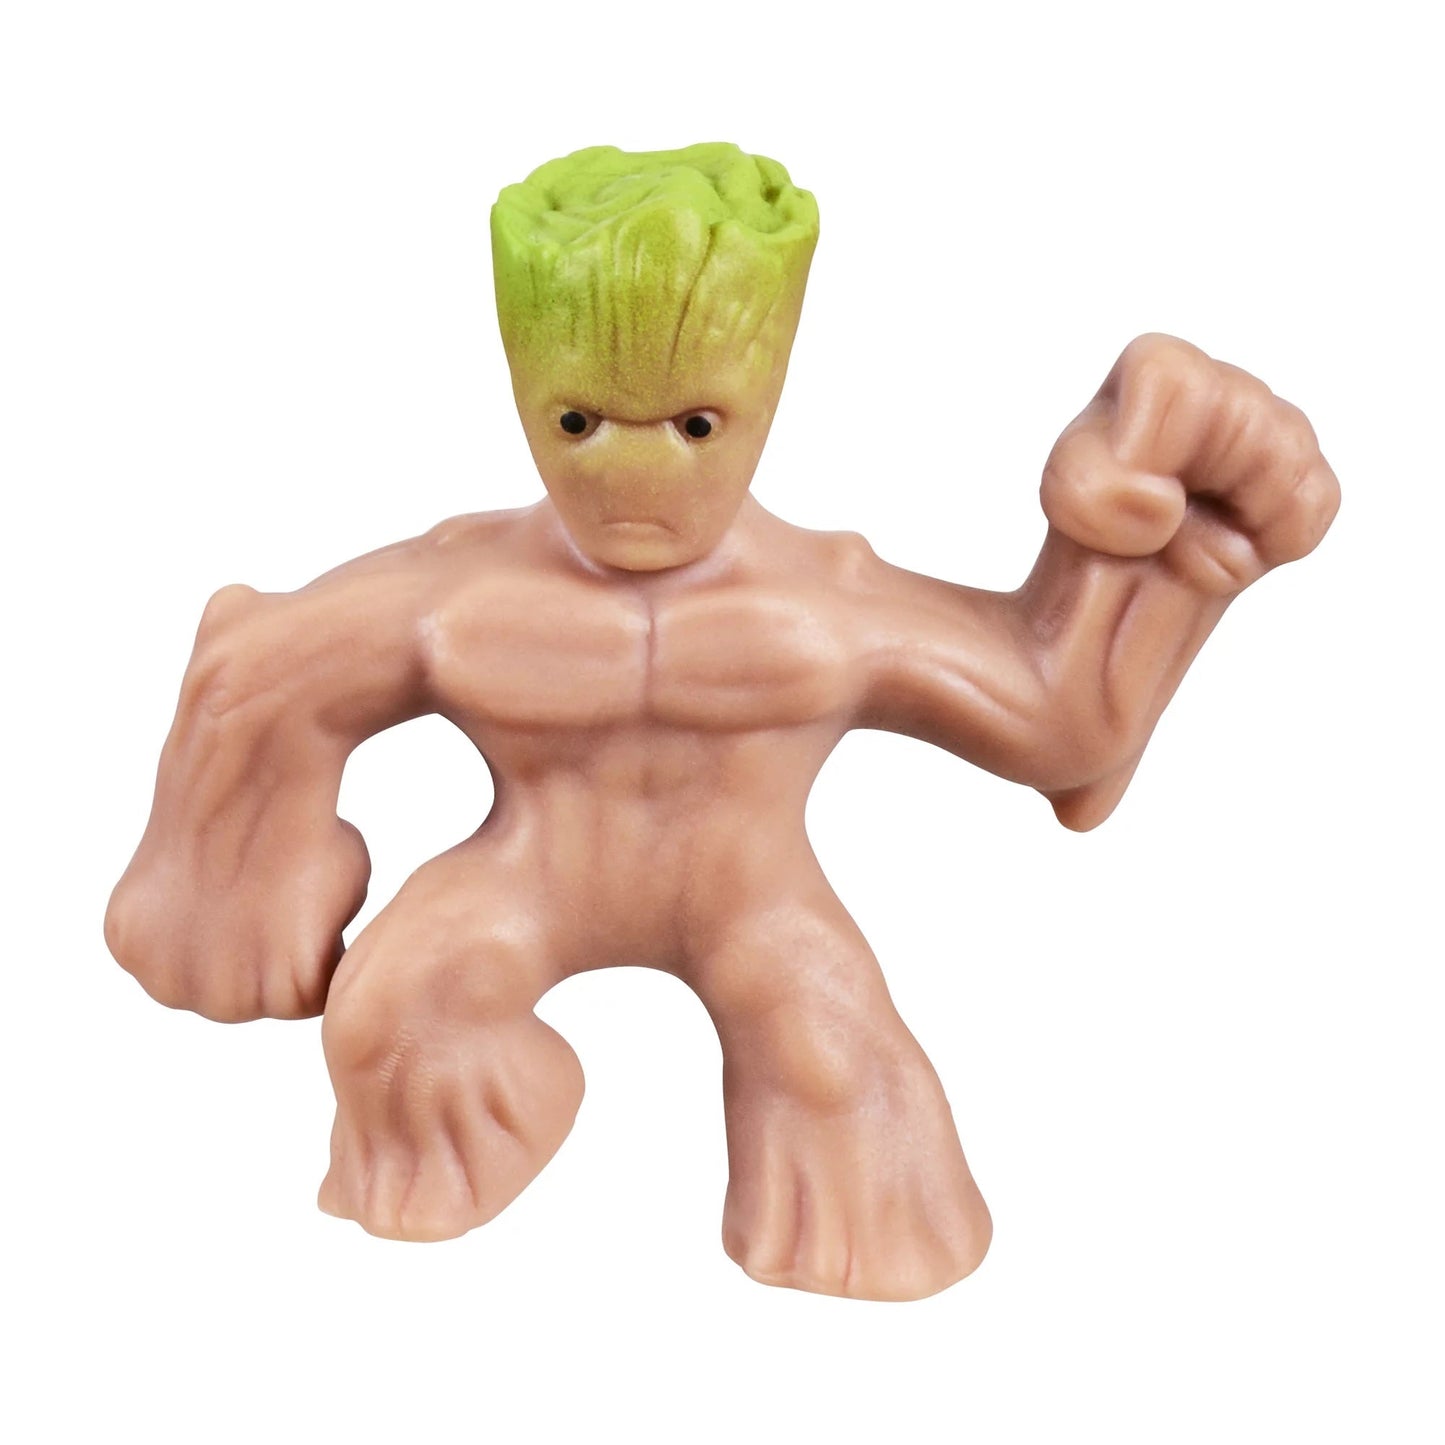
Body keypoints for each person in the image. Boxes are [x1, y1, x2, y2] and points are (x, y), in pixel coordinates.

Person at [105, 142, 1339, 1299]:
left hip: (754, 899)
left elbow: (1049, 722)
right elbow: (257, 670)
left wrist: (1157, 548)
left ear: (765, 391)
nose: (634, 475)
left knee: (837, 1077)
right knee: (387, 1022)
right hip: (525, 877)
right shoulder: (463, 598)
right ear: (524, 391)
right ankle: (446, 1218)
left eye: (695, 424)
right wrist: (228, 884)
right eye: (579, 421)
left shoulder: (819, 607)